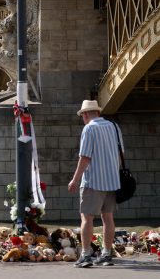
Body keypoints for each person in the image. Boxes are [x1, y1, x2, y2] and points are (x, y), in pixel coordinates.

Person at [68, 100, 123, 268]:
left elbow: (85, 157)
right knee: (108, 217)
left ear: (85, 115)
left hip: (93, 180)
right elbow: (120, 155)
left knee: (86, 218)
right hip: (112, 181)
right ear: (98, 112)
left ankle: (85, 255)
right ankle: (106, 254)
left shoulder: (89, 128)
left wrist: (75, 179)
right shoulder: (114, 127)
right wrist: (113, 171)